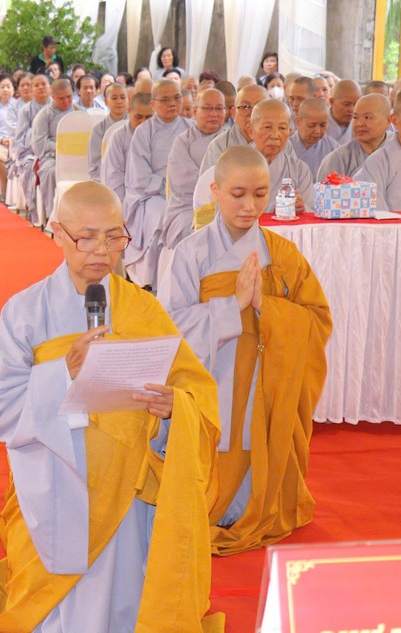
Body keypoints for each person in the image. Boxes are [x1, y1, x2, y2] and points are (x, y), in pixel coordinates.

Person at [0, 181, 224, 632]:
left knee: (126, 600)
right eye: (87, 236)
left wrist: (175, 407)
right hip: (59, 479)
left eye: (114, 236)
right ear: (57, 233)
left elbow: (194, 389)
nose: (102, 249)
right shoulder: (24, 312)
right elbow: (1, 410)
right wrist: (63, 373)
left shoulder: (143, 307)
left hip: (131, 491)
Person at [159, 145, 332, 555]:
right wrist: (230, 306)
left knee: (259, 434)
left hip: (266, 379)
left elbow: (317, 321)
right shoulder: (190, 253)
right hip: (213, 375)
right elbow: (170, 330)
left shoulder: (283, 254)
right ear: (215, 192)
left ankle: (259, 501)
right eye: (238, 194)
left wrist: (264, 307)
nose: (250, 205)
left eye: (260, 193)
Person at [123, 79, 190, 289]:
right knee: (163, 215)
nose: (173, 103)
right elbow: (140, 175)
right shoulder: (144, 132)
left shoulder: (191, 128)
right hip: (150, 195)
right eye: (166, 99)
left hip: (186, 193)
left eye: (177, 97)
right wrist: (167, 188)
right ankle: (154, 280)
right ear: (154, 105)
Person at [163, 88, 228, 251]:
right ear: (194, 111)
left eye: (219, 108)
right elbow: (183, 183)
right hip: (187, 207)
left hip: (229, 206)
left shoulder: (230, 139)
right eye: (207, 108)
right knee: (204, 235)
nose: (214, 114)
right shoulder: (182, 142)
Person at [244, 99, 314, 214]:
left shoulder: (300, 170)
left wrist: (302, 208)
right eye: (267, 127)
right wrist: (277, 208)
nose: (275, 136)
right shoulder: (236, 166)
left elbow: (311, 212)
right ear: (251, 131)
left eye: (282, 128)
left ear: (289, 132)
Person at [31, 78, 79, 218]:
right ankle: (55, 217)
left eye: (69, 97)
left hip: (78, 156)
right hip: (52, 157)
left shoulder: (79, 112)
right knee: (51, 172)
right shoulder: (44, 115)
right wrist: (62, 147)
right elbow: (40, 144)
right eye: (61, 98)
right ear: (53, 97)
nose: (66, 101)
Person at [317, 93, 390, 181]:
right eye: (355, 117)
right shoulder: (338, 159)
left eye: (367, 117)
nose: (359, 124)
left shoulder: (400, 151)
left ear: (388, 121)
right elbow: (325, 192)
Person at [200, 85, 268, 172]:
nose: (252, 113)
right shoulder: (219, 145)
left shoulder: (281, 144)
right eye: (245, 107)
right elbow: (208, 183)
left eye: (259, 107)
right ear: (234, 113)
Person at [12, 74, 51, 222]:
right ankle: (36, 211)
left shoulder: (57, 107)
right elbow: (20, 137)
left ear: (50, 88)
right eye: (37, 85)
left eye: (44, 84)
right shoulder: (26, 110)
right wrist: (37, 136)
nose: (41, 87)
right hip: (30, 153)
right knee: (29, 168)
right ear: (32, 90)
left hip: (53, 152)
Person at [102, 92, 153, 203]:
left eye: (149, 118)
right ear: (129, 111)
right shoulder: (118, 138)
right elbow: (113, 179)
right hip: (127, 198)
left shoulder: (161, 137)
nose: (143, 123)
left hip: (155, 195)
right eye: (138, 117)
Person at [289, 97, 339, 178]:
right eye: (311, 126)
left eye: (323, 125)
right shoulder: (286, 147)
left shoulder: (334, 149)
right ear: (298, 122)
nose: (317, 131)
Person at [88, 83, 128, 181]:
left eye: (123, 97)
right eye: (114, 98)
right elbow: (94, 164)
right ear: (106, 102)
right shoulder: (99, 129)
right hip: (106, 179)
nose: (119, 101)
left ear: (128, 100)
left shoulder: (137, 125)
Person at [326, 79, 360, 144]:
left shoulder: (362, 126)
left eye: (356, 104)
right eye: (346, 104)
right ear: (331, 101)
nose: (352, 110)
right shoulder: (319, 123)